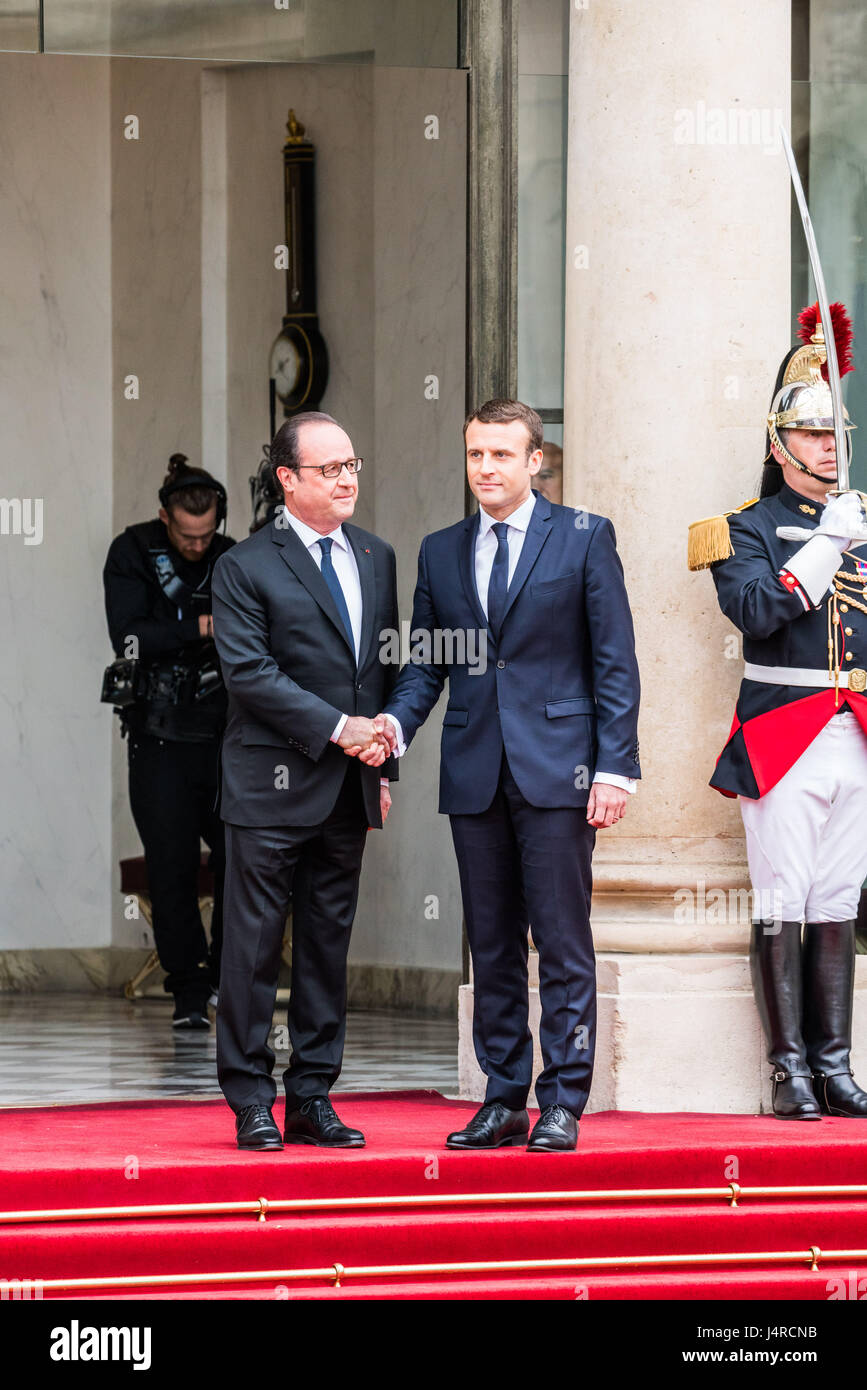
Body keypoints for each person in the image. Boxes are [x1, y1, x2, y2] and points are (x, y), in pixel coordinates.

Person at [364, 398, 641, 1151]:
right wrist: (393, 730)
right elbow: (428, 662)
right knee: (489, 942)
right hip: (474, 767)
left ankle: (563, 1099)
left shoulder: (583, 537)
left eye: (500, 455)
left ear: (534, 460)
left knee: (560, 940)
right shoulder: (442, 549)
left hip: (562, 769)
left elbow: (614, 661)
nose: (485, 469)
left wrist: (616, 767)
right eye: (474, 455)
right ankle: (503, 1095)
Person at [689, 302, 867, 1119]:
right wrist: (827, 541)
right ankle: (786, 1070)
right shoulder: (738, 529)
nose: (828, 446)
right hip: (783, 731)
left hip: (855, 734)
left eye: (835, 434)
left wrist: (846, 533)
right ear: (778, 444)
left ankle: (834, 1066)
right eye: (812, 435)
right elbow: (759, 611)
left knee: (836, 898)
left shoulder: (860, 525)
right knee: (782, 896)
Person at [211, 411, 398, 1152]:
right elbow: (249, 674)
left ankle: (313, 1094)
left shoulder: (376, 556)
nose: (348, 478)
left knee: (327, 945)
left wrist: (384, 757)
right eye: (330, 469)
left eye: (352, 465)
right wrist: (337, 728)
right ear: (287, 478)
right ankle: (251, 1097)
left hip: (349, 788)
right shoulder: (245, 565)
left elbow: (380, 668)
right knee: (253, 948)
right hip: (269, 785)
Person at [103, 454, 235, 1029]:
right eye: (186, 535)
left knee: (243, 859)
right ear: (164, 517)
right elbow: (130, 637)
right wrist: (202, 628)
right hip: (158, 734)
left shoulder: (231, 558)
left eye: (206, 535)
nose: (197, 546)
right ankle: (187, 992)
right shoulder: (131, 550)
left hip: (226, 734)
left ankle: (230, 982)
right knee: (171, 867)